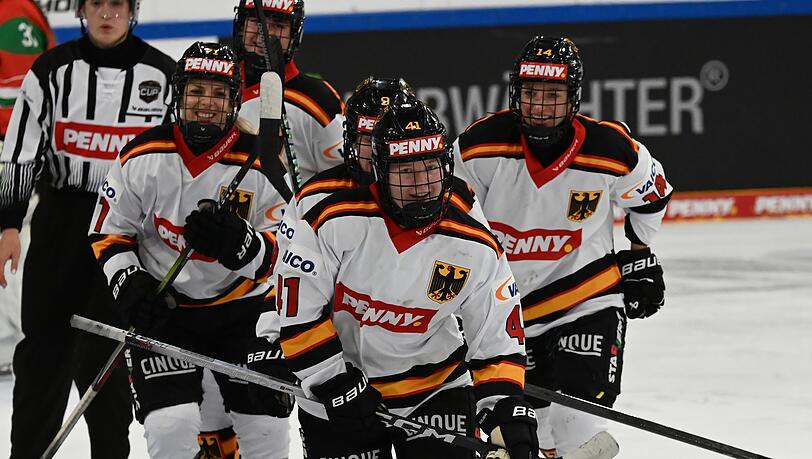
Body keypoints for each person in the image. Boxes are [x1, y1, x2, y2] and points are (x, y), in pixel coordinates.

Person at [273, 99, 537, 459]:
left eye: (430, 167)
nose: (421, 184)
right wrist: (331, 380)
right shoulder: (329, 222)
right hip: (342, 390)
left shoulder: (475, 243)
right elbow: (297, 313)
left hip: (435, 387)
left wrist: (505, 407)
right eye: (405, 171)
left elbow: (496, 335)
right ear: (380, 173)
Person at [453, 36, 672, 458]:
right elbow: (452, 226)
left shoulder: (610, 148)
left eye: (552, 95)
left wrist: (639, 253)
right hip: (507, 313)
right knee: (532, 435)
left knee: (578, 424)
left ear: (573, 98)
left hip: (586, 298)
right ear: (515, 93)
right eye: (531, 93)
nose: (540, 106)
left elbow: (653, 196)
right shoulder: (479, 146)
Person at [88, 41, 290, 458]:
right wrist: (130, 282)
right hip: (169, 312)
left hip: (244, 313)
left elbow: (286, 252)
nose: (206, 103)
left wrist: (243, 245)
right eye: (196, 91)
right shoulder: (142, 155)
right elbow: (108, 231)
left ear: (235, 101)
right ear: (177, 96)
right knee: (169, 425)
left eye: (218, 94)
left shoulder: (262, 162)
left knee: (266, 427)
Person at [0, 0, 174, 456]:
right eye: (97, 3)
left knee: (108, 356)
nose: (107, 14)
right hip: (61, 219)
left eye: (117, 4)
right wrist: (9, 224)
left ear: (132, 10)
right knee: (43, 351)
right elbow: (20, 150)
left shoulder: (162, 74)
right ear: (81, 9)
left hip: (124, 230)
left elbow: (174, 161)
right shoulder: (51, 69)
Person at [0, 0, 56, 374]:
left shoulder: (12, 13)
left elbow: (22, 94)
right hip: (15, 146)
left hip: (10, 148)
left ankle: (13, 338)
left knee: (13, 237)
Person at [234, 0, 345, 184]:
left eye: (278, 25)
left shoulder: (317, 100)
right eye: (256, 22)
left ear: (294, 35)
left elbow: (343, 179)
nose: (265, 33)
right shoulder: (214, 90)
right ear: (241, 25)